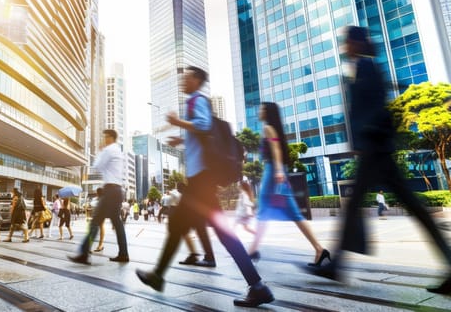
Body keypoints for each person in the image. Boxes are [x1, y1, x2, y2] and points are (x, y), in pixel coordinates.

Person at [304, 26, 451, 294]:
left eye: (347, 41)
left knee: (406, 208)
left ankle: (336, 266)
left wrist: (363, 142)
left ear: (357, 42)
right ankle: (336, 265)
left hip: (375, 148)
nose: (344, 45)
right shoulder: (361, 68)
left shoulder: (368, 67)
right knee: (400, 207)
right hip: (374, 148)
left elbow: (373, 109)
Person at [135, 66, 273, 307]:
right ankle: (257, 285)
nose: (182, 81)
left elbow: (204, 125)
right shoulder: (196, 101)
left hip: (201, 180)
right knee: (217, 233)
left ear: (197, 80)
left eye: (186, 77)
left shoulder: (197, 99)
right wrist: (182, 138)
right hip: (201, 181)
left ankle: (158, 275)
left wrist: (178, 122)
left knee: (182, 226)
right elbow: (200, 131)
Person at [247, 102, 329, 266]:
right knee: (293, 213)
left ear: (268, 113)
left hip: (272, 171)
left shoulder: (268, 128)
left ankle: (252, 251)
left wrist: (277, 171)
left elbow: (276, 149)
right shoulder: (272, 128)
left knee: (264, 210)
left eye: (262, 109)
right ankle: (319, 249)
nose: (259, 111)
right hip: (276, 170)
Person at [69, 129, 129, 264]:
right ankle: (123, 253)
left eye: (106, 137)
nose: (104, 139)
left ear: (111, 138)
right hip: (118, 190)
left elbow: (97, 165)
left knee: (95, 221)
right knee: (117, 223)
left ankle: (84, 253)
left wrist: (101, 150)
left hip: (110, 190)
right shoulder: (118, 151)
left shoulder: (109, 150)